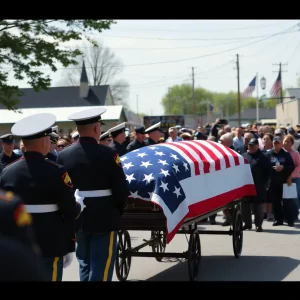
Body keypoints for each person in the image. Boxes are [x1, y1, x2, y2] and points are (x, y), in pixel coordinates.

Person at [0, 113, 77, 281]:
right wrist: (70, 242)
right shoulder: (56, 171)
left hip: (19, 244)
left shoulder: (7, 172)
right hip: (51, 241)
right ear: (44, 141)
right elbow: (69, 211)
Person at [56, 107, 129, 282]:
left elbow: (61, 189)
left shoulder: (64, 155)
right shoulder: (109, 154)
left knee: (85, 263)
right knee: (101, 266)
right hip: (105, 216)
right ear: (97, 129)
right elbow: (120, 189)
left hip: (78, 216)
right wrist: (119, 210)